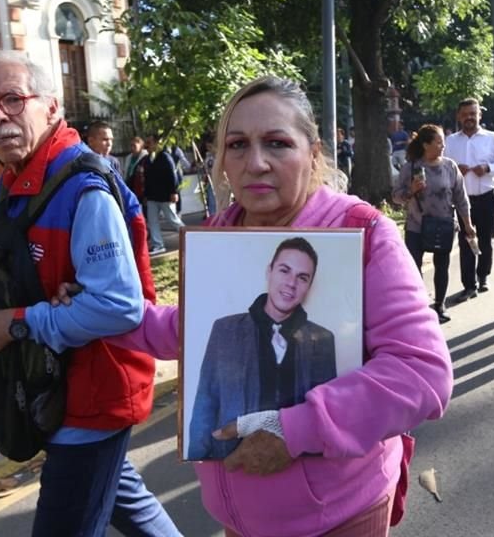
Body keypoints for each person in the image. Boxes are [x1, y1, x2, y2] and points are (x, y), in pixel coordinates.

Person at [85, 76, 452, 536]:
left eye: (277, 143)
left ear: (312, 152)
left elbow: (422, 374)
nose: (255, 162)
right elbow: (188, 328)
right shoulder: (221, 232)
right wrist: (96, 314)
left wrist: (298, 429)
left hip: (337, 517)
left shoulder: (362, 231)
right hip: (239, 519)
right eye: (237, 145)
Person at [0, 50, 179, 537]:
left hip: (93, 395)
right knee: (124, 497)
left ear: (50, 106)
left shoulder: (82, 188)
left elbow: (119, 306)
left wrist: (16, 324)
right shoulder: (14, 183)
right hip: (54, 389)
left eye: (11, 99)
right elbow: (18, 283)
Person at [188, 237, 336, 461]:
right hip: (231, 462)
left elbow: (323, 412)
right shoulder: (225, 330)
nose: (291, 283)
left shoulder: (322, 339)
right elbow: (206, 402)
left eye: (302, 277)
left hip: (297, 464)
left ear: (309, 285)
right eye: (284, 271)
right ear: (270, 271)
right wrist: (200, 457)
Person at [393, 125, 474, 324]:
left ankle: (439, 305)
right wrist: (411, 190)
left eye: (443, 141)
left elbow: (461, 198)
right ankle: (419, 306)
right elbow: (396, 197)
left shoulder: (449, 166)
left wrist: (468, 225)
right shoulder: (411, 167)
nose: (443, 145)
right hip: (416, 226)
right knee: (414, 267)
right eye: (438, 142)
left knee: (442, 266)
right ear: (425, 144)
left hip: (444, 224)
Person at [443, 98, 494, 299]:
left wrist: (488, 168)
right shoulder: (450, 142)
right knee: (465, 242)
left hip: (486, 198)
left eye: (473, 114)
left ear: (479, 115)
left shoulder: (492, 138)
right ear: (459, 116)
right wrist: (456, 169)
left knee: (485, 240)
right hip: (462, 201)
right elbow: (443, 167)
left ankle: (483, 275)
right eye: (465, 114)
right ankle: (469, 285)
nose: (469, 118)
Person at [140, 134, 184, 255]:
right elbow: (147, 178)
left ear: (156, 143)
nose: (147, 145)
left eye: (149, 142)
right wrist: (146, 195)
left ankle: (189, 237)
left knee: (172, 219)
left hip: (165, 195)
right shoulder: (148, 159)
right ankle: (158, 245)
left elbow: (172, 174)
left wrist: (174, 191)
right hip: (152, 196)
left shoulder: (164, 156)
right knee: (152, 221)